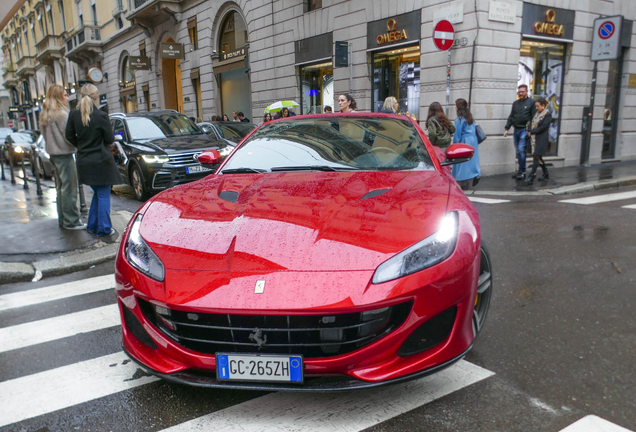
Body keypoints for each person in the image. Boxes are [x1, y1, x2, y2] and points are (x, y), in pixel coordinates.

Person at [65, 84, 121, 237]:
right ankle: (103, 228)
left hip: (84, 160)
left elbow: (68, 136)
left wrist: (81, 146)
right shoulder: (101, 116)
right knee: (103, 195)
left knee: (97, 194)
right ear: (96, 97)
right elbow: (109, 139)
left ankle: (92, 225)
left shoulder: (74, 114)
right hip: (101, 161)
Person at [40, 84, 83, 230]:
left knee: (60, 188)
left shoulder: (46, 113)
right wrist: (77, 147)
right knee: (69, 188)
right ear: (58, 97)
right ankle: (71, 221)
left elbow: (45, 136)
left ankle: (63, 220)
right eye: (64, 95)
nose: (67, 98)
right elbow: (69, 135)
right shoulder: (61, 113)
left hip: (53, 153)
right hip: (64, 154)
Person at [504, 84, 536, 180]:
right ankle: (520, 170)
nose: (520, 93)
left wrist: (530, 130)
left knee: (522, 150)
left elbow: (533, 118)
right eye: (519, 92)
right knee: (518, 151)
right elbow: (511, 116)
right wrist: (507, 129)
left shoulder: (531, 102)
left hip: (524, 130)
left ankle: (523, 171)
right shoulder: (516, 103)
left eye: (522, 91)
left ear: (527, 92)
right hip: (516, 129)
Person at [452, 98, 481, 190]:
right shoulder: (471, 117)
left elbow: (457, 134)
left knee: (462, 161)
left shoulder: (459, 119)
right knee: (473, 159)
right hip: (473, 139)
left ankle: (463, 182)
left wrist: (455, 144)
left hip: (465, 140)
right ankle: (476, 174)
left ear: (458, 107)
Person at [525, 97, 552, 184]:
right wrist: (530, 130)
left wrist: (532, 131)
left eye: (538, 106)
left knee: (536, 156)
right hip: (534, 138)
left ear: (543, 106)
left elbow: (543, 127)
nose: (536, 108)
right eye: (536, 106)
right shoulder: (536, 114)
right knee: (538, 157)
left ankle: (532, 176)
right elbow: (531, 123)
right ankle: (545, 173)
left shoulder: (547, 114)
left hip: (541, 139)